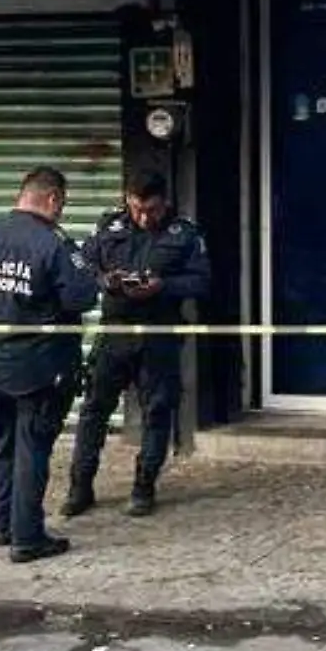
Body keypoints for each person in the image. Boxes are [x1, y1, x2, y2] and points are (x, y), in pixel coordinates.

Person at [0, 166, 98, 563]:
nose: (61, 212)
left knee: (5, 443)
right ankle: (28, 537)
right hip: (41, 365)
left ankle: (4, 524)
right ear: (52, 199)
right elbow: (80, 298)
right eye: (62, 205)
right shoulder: (53, 243)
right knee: (32, 448)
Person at [62, 170, 210, 519]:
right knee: (94, 412)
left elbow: (202, 281)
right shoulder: (108, 227)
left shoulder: (185, 233)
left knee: (157, 413)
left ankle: (144, 487)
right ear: (127, 199)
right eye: (137, 208)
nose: (144, 217)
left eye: (152, 210)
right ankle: (79, 487)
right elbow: (81, 264)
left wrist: (163, 286)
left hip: (159, 336)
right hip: (115, 333)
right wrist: (105, 280)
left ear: (165, 202)